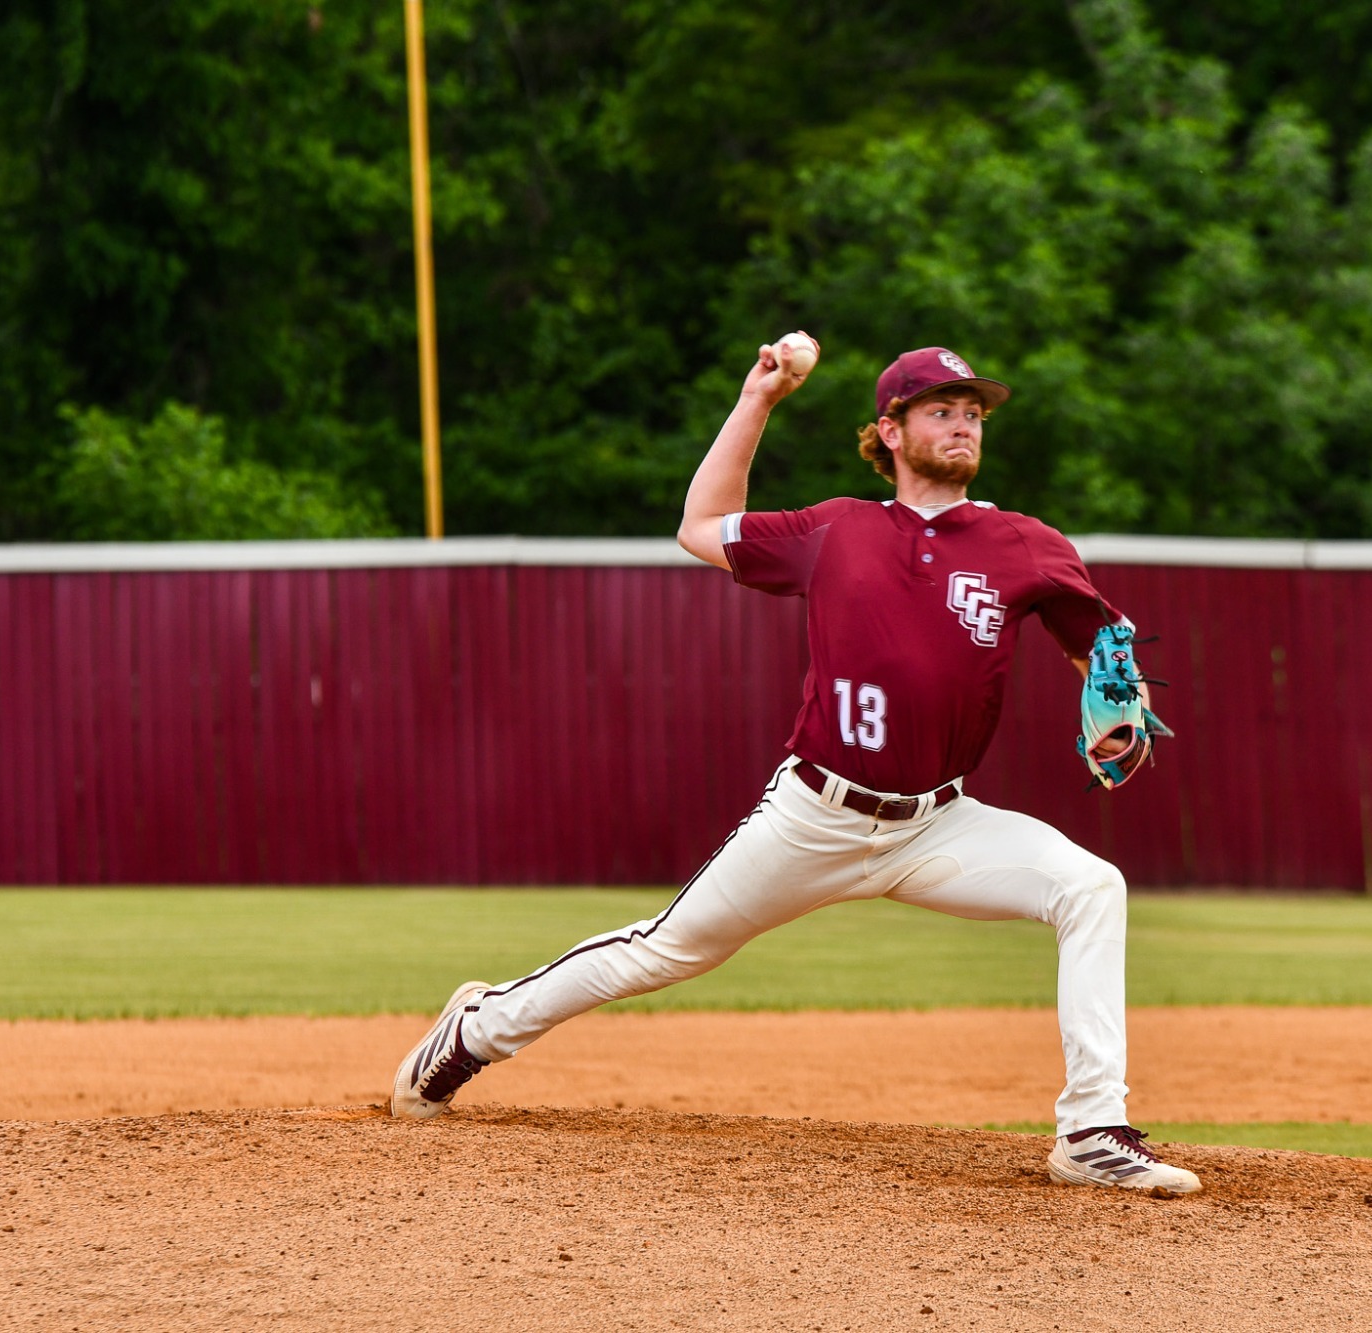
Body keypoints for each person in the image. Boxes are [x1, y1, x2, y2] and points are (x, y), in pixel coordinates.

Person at [389, 338, 1201, 1193]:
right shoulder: (836, 530)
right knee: (661, 952)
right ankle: (477, 1027)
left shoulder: (1023, 544)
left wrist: (1116, 707)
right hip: (816, 814)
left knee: (1091, 886)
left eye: (974, 413)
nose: (964, 424)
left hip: (937, 822)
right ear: (890, 430)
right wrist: (759, 401)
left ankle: (1091, 1130)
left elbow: (1099, 646)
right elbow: (699, 529)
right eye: (941, 410)